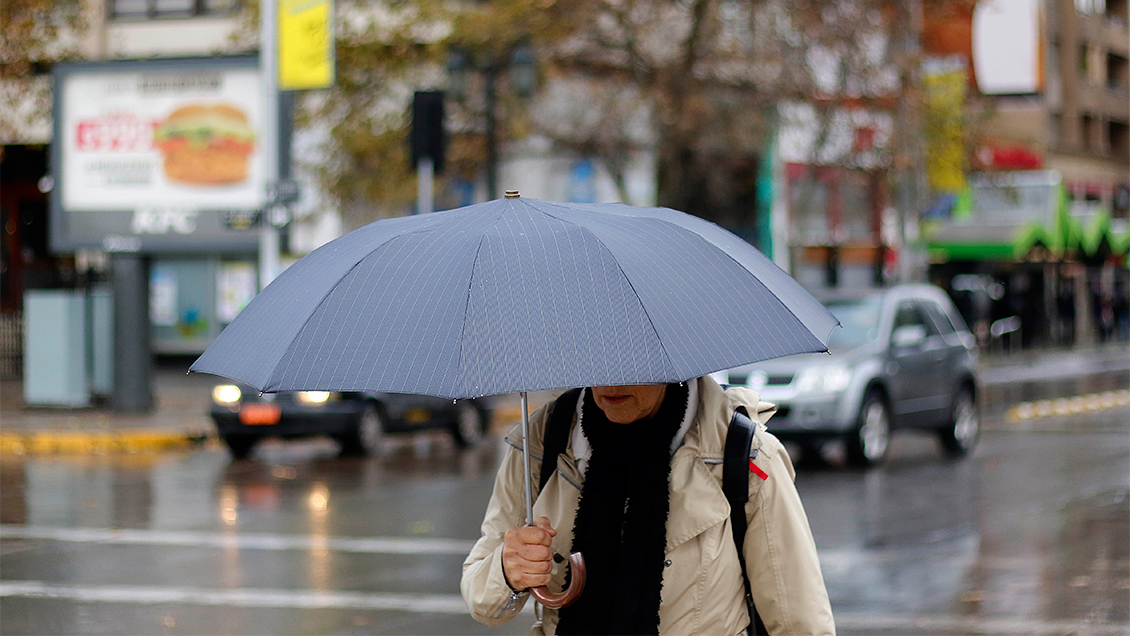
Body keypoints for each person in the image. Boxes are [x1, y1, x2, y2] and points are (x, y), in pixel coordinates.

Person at [461, 376, 836, 635]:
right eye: (596, 360)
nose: (610, 383)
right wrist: (508, 570)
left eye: (629, 362)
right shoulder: (540, 444)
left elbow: (799, 622)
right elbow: (483, 600)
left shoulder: (744, 455)